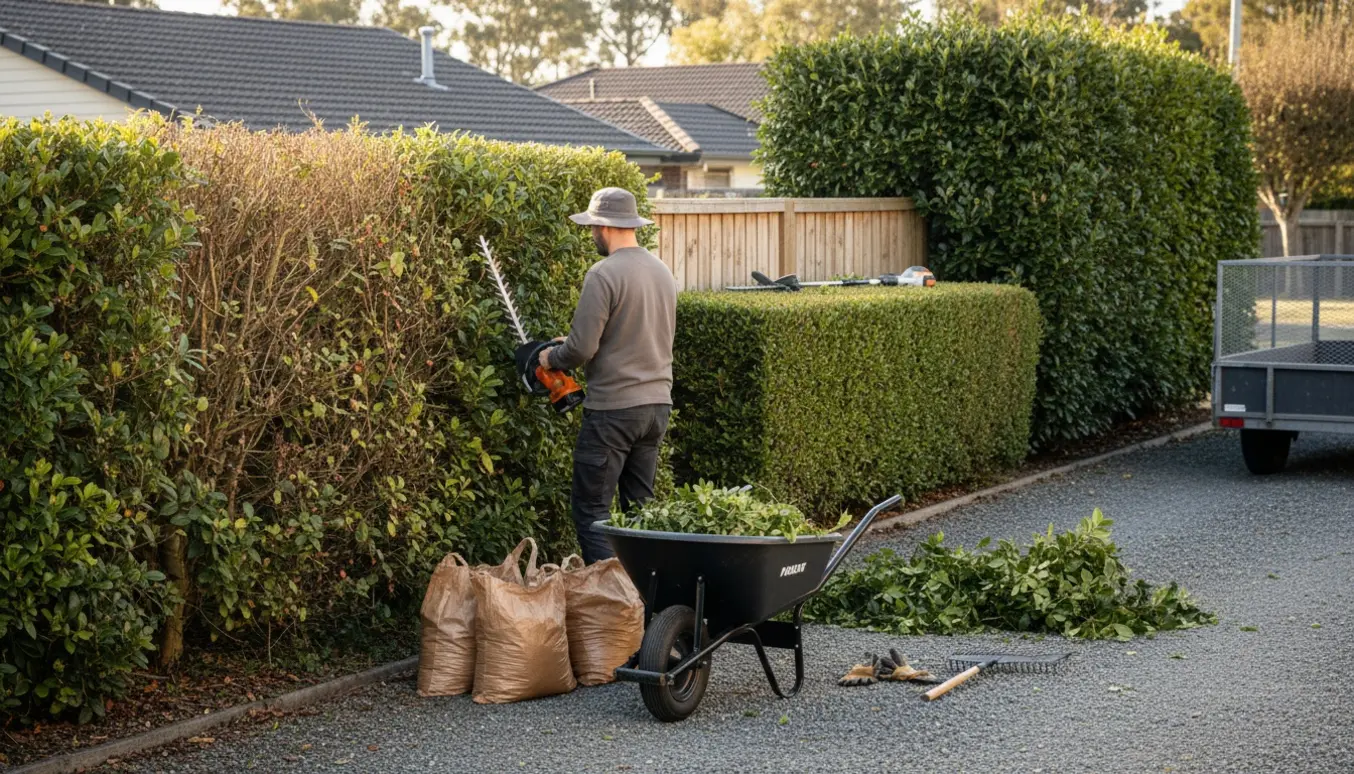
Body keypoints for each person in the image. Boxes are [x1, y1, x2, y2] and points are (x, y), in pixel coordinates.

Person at [544, 188, 677, 563]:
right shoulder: (662, 271)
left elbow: (581, 350)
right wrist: (572, 342)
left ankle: (609, 611)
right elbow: (634, 334)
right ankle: (649, 609)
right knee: (641, 514)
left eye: (592, 228)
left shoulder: (603, 274)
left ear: (604, 226)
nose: (591, 235)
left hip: (614, 412)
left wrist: (552, 355)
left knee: (592, 514)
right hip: (656, 408)